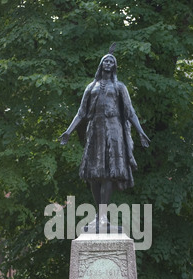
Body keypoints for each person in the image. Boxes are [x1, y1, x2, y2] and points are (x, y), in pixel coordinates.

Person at [60, 46, 150, 232]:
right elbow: (81, 113)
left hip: (113, 131)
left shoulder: (119, 87)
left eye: (111, 61)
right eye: (105, 61)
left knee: (108, 173)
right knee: (93, 174)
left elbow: (130, 112)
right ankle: (98, 217)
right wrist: (68, 131)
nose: (108, 63)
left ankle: (103, 217)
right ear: (101, 64)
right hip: (95, 131)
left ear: (114, 66)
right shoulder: (90, 87)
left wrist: (140, 132)